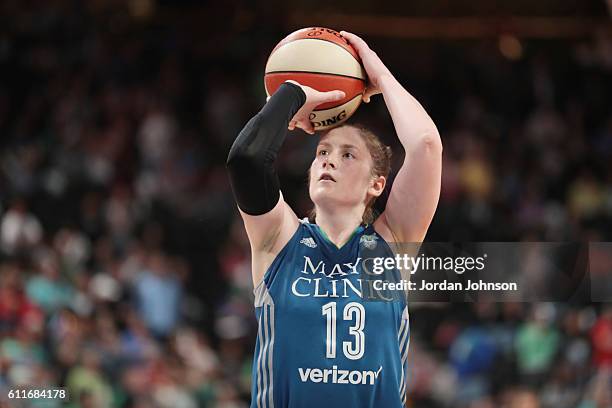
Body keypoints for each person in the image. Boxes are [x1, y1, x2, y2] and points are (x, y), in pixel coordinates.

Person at [226, 31, 441, 408]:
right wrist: (292, 96)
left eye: (347, 155)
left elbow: (425, 145)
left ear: (377, 183)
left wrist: (381, 77)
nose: (327, 159)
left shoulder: (392, 245)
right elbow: (247, 159)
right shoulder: (278, 239)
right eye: (323, 151)